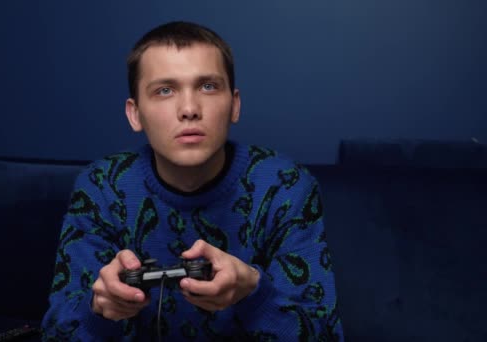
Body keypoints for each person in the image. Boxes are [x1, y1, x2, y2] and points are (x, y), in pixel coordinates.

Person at [41, 21, 344, 341]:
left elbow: (324, 335)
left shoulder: (286, 186)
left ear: (235, 105)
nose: (189, 109)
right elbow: (58, 334)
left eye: (208, 86)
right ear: (135, 114)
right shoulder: (102, 187)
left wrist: (254, 292)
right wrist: (99, 310)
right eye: (165, 90)